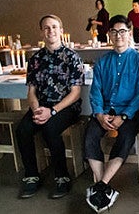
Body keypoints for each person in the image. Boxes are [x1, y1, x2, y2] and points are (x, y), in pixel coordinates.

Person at [84, 15, 139, 213]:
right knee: (89, 137)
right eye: (114, 31)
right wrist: (99, 114)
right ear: (109, 35)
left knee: (126, 137)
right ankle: (103, 187)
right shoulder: (102, 62)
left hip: (130, 113)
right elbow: (95, 92)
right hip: (104, 112)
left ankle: (101, 185)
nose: (118, 35)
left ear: (129, 34)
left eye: (122, 31)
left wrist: (124, 116)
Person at [15, 14, 84, 199]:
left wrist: (52, 111)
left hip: (66, 107)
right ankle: (31, 175)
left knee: (50, 128)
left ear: (61, 30)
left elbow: (76, 92)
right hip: (42, 105)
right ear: (42, 32)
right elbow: (31, 92)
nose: (50, 30)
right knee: (22, 130)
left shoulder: (72, 57)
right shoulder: (35, 59)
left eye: (54, 27)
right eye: (46, 27)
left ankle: (62, 177)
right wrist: (37, 109)